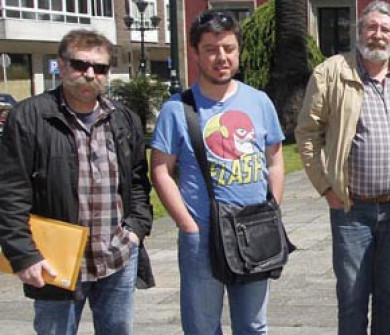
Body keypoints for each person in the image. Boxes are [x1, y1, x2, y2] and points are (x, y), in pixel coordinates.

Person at [294, 1, 390, 334]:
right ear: (358, 32)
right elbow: (306, 133)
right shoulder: (331, 72)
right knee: (352, 296)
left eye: (385, 29)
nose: (377, 35)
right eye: (370, 27)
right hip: (350, 209)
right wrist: (326, 187)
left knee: (389, 295)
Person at [0, 29, 153, 334]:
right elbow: (10, 193)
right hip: (54, 260)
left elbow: (137, 181)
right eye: (81, 65)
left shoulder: (123, 119)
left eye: (100, 68)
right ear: (62, 64)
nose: (90, 74)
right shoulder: (30, 116)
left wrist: (135, 230)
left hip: (116, 256)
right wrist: (23, 254)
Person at [149, 10, 285, 334]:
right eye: (210, 49)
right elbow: (160, 170)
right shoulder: (177, 108)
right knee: (202, 327)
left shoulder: (260, 102)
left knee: (253, 324)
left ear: (238, 51)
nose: (221, 57)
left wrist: (273, 208)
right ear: (196, 53)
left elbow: (275, 160)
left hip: (253, 229)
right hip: (202, 236)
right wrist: (188, 225)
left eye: (228, 48)